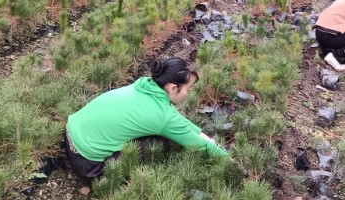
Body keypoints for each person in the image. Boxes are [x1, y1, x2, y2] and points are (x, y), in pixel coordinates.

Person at [64, 57, 227, 179]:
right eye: (188, 89)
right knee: (159, 144)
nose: (188, 93)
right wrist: (229, 162)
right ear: (172, 87)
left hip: (70, 134)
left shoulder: (144, 85)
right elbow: (198, 145)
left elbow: (181, 122)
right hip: (87, 164)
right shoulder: (162, 116)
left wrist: (210, 140)